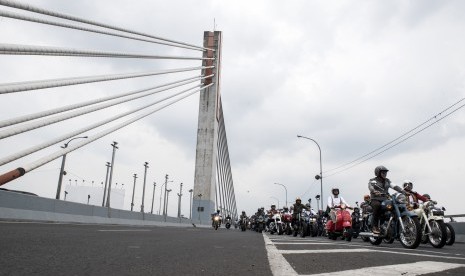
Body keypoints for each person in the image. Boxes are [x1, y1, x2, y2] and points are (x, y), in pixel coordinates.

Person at [368, 165, 404, 234]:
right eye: (383, 173)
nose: (385, 174)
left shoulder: (387, 181)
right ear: (378, 173)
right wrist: (374, 191)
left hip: (385, 199)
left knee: (394, 206)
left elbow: (394, 186)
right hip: (375, 199)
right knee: (377, 206)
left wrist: (402, 191)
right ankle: (374, 226)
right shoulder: (372, 180)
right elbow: (370, 186)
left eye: (385, 173)